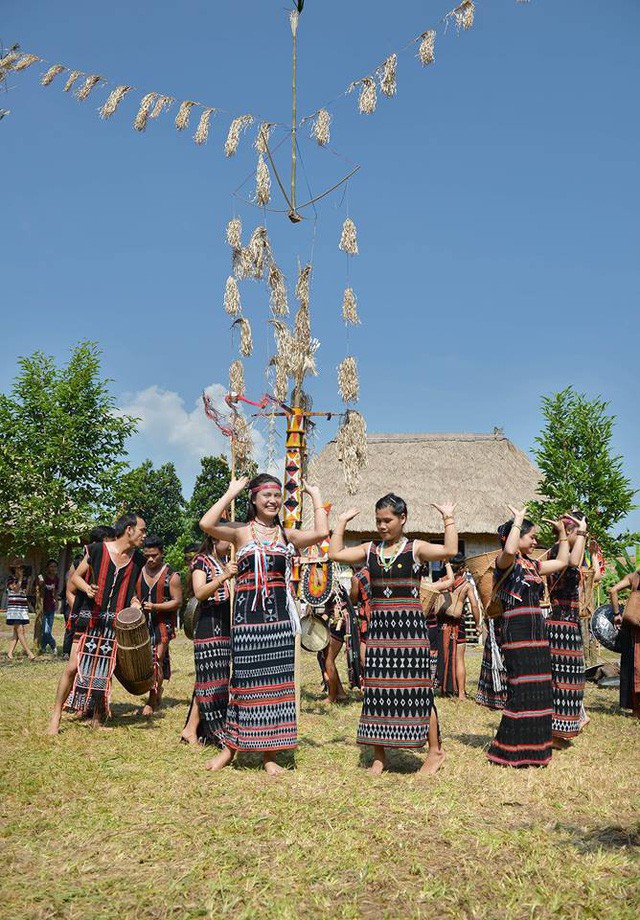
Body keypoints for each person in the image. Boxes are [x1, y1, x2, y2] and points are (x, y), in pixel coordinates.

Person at [199, 473, 328, 775]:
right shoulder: (240, 532)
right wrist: (230, 492)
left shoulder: (287, 535)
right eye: (266, 496)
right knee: (243, 685)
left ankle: (269, 756)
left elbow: (322, 534)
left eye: (276, 496)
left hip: (279, 623)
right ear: (254, 499)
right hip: (246, 622)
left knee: (276, 688)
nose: (272, 501)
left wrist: (316, 494)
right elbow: (206, 524)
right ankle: (230, 749)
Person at [329, 494, 458, 776]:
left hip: (410, 632)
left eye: (388, 520)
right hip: (379, 632)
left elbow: (449, 550)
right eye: (378, 521)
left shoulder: (415, 548)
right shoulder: (370, 549)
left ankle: (435, 751)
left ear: (403, 519)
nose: (382, 526)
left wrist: (448, 517)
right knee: (377, 690)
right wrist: (340, 522)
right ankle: (379, 755)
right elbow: (335, 554)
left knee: (419, 691)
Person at [47, 514, 146, 735]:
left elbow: (134, 592)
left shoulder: (138, 560)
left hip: (113, 623)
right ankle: (56, 715)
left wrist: (136, 603)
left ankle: (98, 714)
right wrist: (86, 588)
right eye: (142, 530)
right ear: (129, 530)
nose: (144, 535)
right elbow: (75, 579)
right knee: (73, 667)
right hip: (88, 617)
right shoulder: (97, 550)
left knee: (105, 669)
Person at [486, 509, 569, 768]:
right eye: (531, 537)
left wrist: (563, 534)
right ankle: (510, 751)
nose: (535, 542)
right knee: (521, 688)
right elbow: (510, 550)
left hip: (537, 634)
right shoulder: (505, 563)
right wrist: (518, 521)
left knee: (540, 689)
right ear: (516, 536)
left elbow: (564, 562)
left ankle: (536, 752)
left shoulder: (533, 565)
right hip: (517, 633)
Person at [180, 536, 237, 746]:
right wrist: (224, 576)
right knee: (210, 682)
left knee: (213, 681)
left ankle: (190, 728)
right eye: (227, 539)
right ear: (215, 538)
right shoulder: (201, 561)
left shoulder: (224, 562)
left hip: (224, 625)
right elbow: (200, 592)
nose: (231, 544)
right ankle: (205, 730)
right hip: (208, 625)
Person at [546, 512, 589, 747]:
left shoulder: (566, 549)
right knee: (563, 680)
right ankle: (555, 733)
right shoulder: (558, 551)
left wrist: (581, 534)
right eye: (578, 532)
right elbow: (573, 562)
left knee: (572, 678)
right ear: (570, 532)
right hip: (560, 624)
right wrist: (581, 530)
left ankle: (571, 721)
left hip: (567, 623)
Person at [137, 536, 182, 716]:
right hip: (140, 625)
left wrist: (156, 607)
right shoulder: (137, 572)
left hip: (163, 625)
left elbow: (177, 602)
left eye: (154, 555)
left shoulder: (172, 576)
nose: (150, 559)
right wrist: (134, 602)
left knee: (156, 660)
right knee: (142, 663)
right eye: (147, 555)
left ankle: (151, 700)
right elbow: (132, 594)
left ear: (162, 553)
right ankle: (156, 691)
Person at [435, 554, 480, 700]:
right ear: (462, 569)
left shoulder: (441, 582)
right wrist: (477, 624)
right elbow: (474, 605)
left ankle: (444, 689)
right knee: (459, 658)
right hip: (457, 625)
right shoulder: (466, 585)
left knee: (443, 655)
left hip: (441, 624)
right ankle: (461, 693)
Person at [609, 569, 640, 719]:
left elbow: (613, 590)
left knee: (632, 666)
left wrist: (616, 614)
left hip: (631, 628)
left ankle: (636, 710)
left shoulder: (633, 576)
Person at [6, 563, 35, 661]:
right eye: (19, 568)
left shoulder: (25, 580)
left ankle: (9, 653)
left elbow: (26, 593)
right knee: (20, 631)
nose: (21, 569)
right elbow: (16, 588)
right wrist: (20, 578)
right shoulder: (10, 579)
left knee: (16, 632)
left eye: (22, 567)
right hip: (14, 609)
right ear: (14, 568)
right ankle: (29, 653)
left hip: (22, 607)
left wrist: (28, 582)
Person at [38, 560, 59, 655]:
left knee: (48, 630)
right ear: (47, 568)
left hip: (51, 606)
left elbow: (55, 592)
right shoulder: (43, 577)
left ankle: (42, 648)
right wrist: (41, 582)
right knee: (45, 630)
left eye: (55, 566)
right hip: (42, 606)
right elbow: (38, 588)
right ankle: (53, 645)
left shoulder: (56, 579)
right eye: (51, 566)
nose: (53, 568)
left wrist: (57, 601)